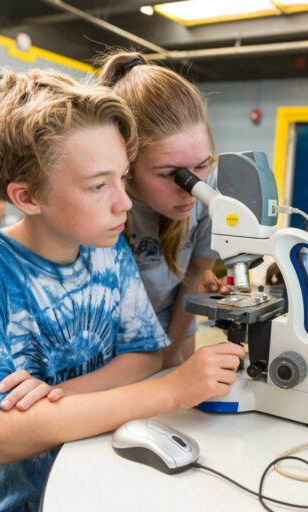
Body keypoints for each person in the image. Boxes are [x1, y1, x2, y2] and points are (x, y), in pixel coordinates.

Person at [0, 69, 246, 511]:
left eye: (122, 178)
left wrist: (47, 403)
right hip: (23, 498)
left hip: (103, 480)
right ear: (26, 197)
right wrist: (173, 391)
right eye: (98, 185)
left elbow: (145, 356)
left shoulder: (105, 242)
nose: (123, 202)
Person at [98, 52, 222, 368]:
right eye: (170, 174)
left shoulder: (211, 192)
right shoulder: (100, 204)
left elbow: (196, 273)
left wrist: (171, 347)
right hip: (109, 333)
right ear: (127, 163)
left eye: (202, 166)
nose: (192, 188)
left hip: (174, 319)